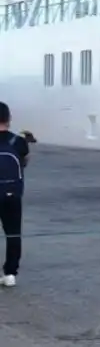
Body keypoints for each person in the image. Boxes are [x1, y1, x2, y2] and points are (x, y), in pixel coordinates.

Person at [0, 101, 29, 287]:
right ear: (8, 118)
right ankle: (10, 273)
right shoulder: (18, 141)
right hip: (11, 194)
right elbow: (24, 162)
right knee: (13, 233)